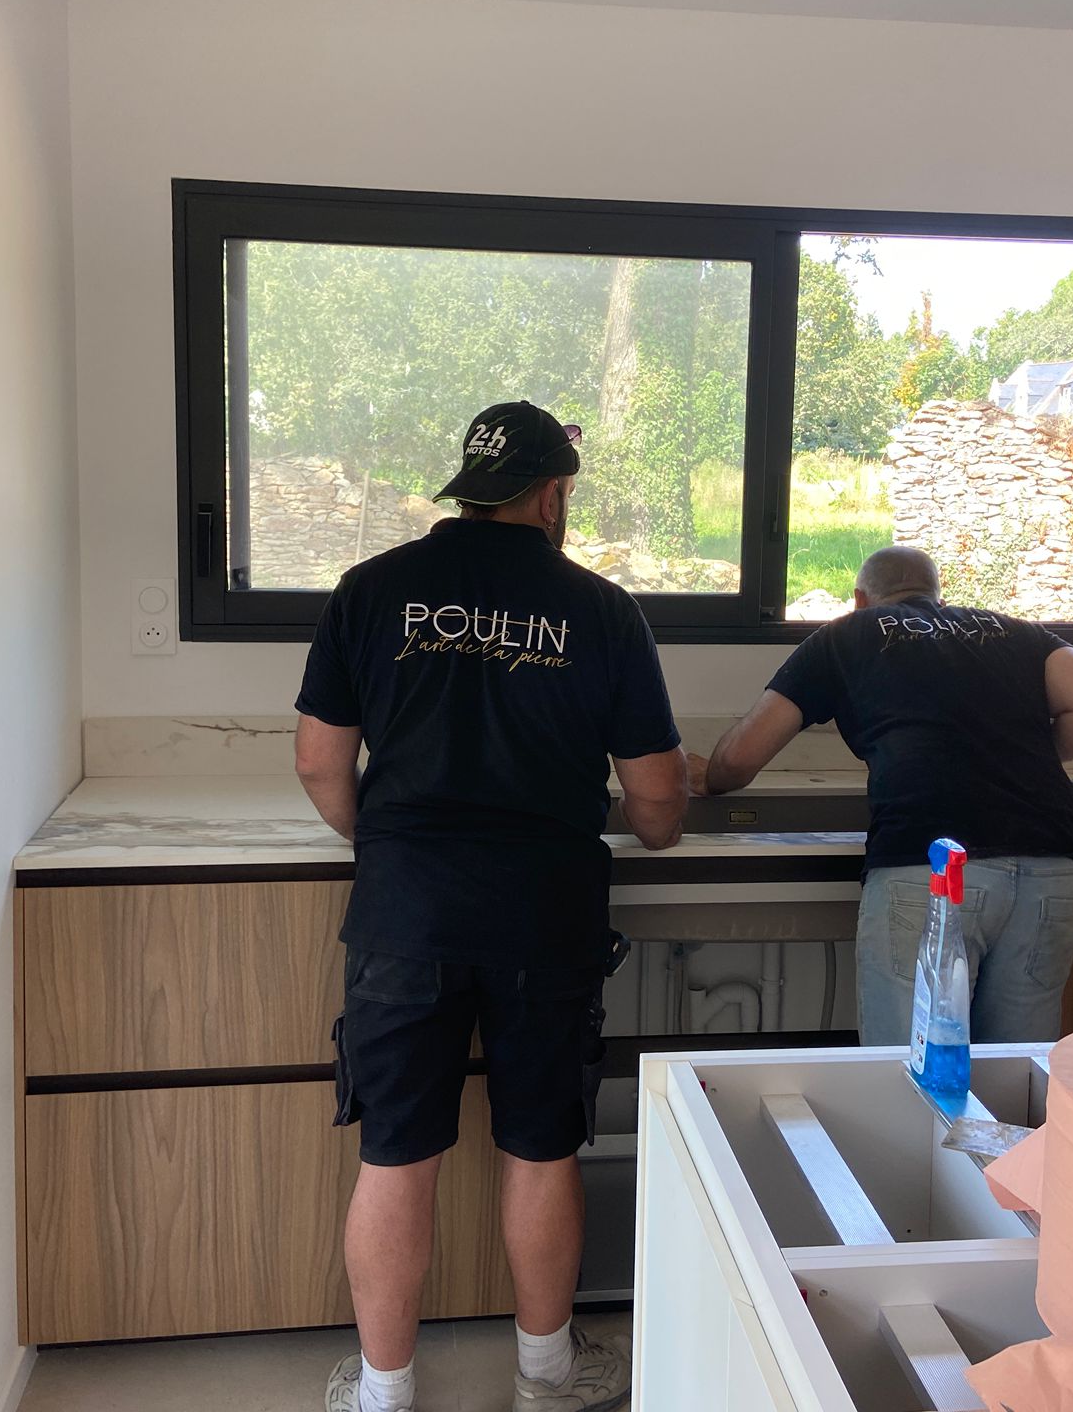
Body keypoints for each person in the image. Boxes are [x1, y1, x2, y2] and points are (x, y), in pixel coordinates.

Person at [295, 400, 687, 1412]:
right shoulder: (601, 611)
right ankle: (546, 1378)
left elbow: (319, 763)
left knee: (395, 1154)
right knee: (542, 1147)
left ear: (468, 488)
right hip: (543, 915)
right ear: (552, 495)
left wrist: (385, 845)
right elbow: (655, 796)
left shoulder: (372, 589)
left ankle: (384, 1393)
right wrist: (657, 830)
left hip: (405, 912)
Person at [691, 545, 1073, 1047]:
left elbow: (740, 759)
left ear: (860, 599)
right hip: (1050, 868)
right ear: (938, 597)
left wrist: (708, 779)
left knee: (910, 1073)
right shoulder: (1014, 631)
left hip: (932, 868)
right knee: (1018, 1072)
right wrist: (1025, 756)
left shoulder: (845, 635)